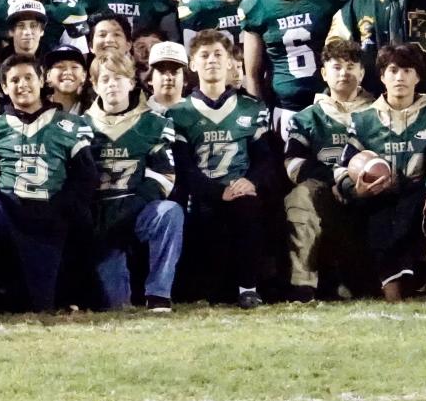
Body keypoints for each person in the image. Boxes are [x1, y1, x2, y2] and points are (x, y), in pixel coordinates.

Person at [0, 54, 97, 319]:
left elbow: (85, 179)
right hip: (8, 212)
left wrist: (59, 209)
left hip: (51, 215)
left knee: (39, 304)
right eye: (14, 80)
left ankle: (73, 292)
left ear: (42, 79)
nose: (22, 85)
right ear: (3, 87)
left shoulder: (70, 125)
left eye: (28, 77)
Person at [334, 44, 426, 301]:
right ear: (382, 77)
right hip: (378, 202)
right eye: (393, 70)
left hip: (419, 197)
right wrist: (355, 189)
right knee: (394, 295)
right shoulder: (363, 120)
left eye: (407, 70)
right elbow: (342, 167)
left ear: (418, 76)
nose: (400, 77)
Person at [166, 30, 279, 308]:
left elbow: (265, 158)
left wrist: (251, 182)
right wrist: (216, 193)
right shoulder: (179, 112)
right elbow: (183, 167)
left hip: (241, 195)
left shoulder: (251, 108)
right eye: (204, 55)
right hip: (201, 198)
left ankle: (248, 288)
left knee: (250, 207)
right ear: (192, 64)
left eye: (219, 54)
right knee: (207, 287)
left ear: (231, 62)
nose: (212, 60)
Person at [84, 51, 182, 311]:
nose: (111, 84)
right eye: (104, 79)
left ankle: (159, 293)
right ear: (94, 85)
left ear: (132, 82)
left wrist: (129, 210)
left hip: (138, 210)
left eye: (118, 78)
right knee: (115, 307)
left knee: (169, 212)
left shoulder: (154, 123)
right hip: (99, 218)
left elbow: (163, 177)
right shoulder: (80, 125)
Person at [281, 39, 372, 302]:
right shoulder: (306, 117)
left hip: (370, 191)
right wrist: (335, 179)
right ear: (323, 73)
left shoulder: (380, 111)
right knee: (299, 197)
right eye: (336, 66)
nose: (344, 72)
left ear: (362, 72)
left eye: (351, 66)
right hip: (325, 192)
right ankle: (302, 284)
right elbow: (294, 165)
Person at [240, 0, 352, 129]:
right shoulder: (256, 4)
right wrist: (260, 118)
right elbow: (253, 73)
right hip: (285, 109)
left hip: (333, 104)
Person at [147, 42, 188, 114]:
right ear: (150, 79)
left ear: (185, 80)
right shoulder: (137, 117)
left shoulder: (198, 114)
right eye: (161, 71)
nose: (168, 77)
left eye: (174, 71)